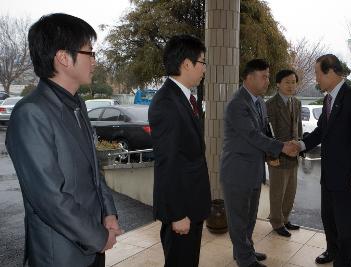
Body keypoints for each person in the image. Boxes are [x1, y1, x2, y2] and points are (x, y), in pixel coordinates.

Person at [5, 13, 122, 267]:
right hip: (61, 255)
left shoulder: (77, 104)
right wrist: (99, 237)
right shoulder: (31, 113)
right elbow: (50, 199)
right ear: (63, 58)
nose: (94, 61)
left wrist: (108, 212)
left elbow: (93, 170)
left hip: (93, 248)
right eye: (89, 53)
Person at [296, 54, 351, 267]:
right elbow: (322, 131)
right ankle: (332, 250)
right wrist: (301, 145)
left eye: (317, 74)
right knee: (329, 218)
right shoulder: (329, 99)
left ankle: (344, 261)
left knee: (346, 223)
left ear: (330, 72)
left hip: (350, 175)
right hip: (329, 173)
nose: (316, 79)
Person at [220, 59, 299, 267]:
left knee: (250, 217)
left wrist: (276, 149)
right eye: (263, 76)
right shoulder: (238, 103)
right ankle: (246, 260)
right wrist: (282, 147)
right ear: (249, 77)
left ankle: (245, 251)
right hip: (237, 172)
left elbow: (265, 132)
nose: (267, 81)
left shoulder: (259, 103)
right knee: (238, 219)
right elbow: (252, 135)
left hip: (254, 170)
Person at [148, 34, 211, 267]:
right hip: (181, 208)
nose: (204, 68)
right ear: (187, 64)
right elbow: (167, 162)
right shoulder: (167, 103)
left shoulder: (183, 98)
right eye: (202, 62)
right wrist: (176, 214)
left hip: (191, 202)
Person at [266, 69, 302, 237]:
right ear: (278, 84)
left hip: (293, 155)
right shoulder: (270, 104)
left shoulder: (296, 102)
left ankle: (285, 219)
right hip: (277, 155)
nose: (290, 85)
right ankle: (276, 222)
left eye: (293, 82)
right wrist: (272, 154)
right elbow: (268, 133)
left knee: (290, 190)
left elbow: (298, 127)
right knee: (277, 191)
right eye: (287, 82)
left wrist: (299, 146)